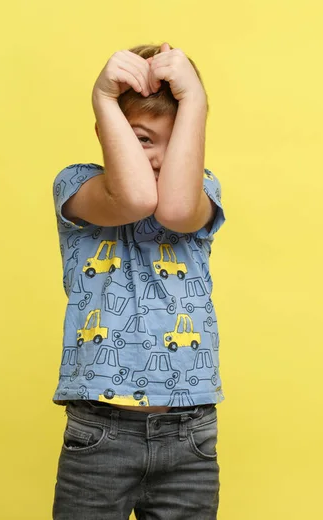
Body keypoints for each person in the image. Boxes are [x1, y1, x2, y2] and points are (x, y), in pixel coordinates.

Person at [51, 42, 226, 520]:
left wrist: (195, 100)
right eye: (144, 139)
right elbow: (134, 198)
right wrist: (104, 99)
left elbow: (170, 208)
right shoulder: (78, 185)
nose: (157, 158)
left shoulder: (201, 191)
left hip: (190, 433)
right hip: (100, 433)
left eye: (177, 139)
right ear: (107, 135)